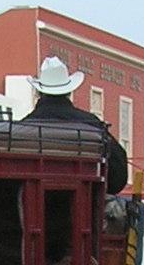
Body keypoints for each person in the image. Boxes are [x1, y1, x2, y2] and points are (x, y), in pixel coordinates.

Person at [22, 56, 129, 194]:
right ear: (69, 92)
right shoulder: (93, 125)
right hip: (86, 207)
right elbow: (118, 177)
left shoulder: (21, 129)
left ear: (39, 93)